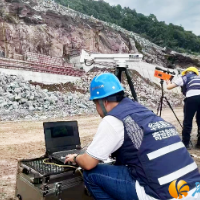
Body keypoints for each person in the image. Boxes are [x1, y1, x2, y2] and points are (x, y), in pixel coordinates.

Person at [65, 73, 200, 200]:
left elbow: (88, 163)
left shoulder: (113, 119)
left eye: (95, 103)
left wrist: (76, 158)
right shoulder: (142, 111)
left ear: (103, 102)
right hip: (194, 189)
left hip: (163, 194)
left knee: (91, 175)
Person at [166, 66, 200, 149]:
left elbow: (169, 87)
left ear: (186, 72)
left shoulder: (184, 77)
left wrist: (168, 82)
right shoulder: (199, 78)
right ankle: (199, 144)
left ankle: (185, 144)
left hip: (191, 99)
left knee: (188, 121)